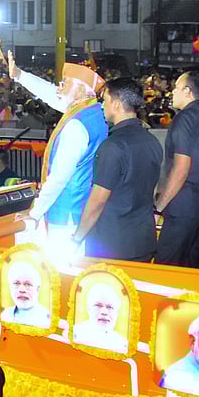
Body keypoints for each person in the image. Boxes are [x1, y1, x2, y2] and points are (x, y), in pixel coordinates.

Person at [6, 51, 107, 249]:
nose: (59, 86)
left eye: (66, 82)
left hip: (65, 213)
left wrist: (34, 212)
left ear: (81, 91)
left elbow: (59, 177)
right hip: (81, 210)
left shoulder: (76, 125)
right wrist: (19, 75)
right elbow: (54, 96)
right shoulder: (94, 112)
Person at [71, 77, 163, 262]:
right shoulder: (152, 141)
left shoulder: (112, 146)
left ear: (117, 104)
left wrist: (77, 238)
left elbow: (97, 201)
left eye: (104, 100)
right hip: (143, 240)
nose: (102, 106)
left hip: (111, 245)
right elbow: (151, 189)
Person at [155, 71, 199, 268]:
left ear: (187, 91)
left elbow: (181, 168)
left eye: (176, 88)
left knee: (166, 271)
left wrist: (158, 207)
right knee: (190, 274)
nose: (172, 92)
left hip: (184, 208)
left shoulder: (184, 118)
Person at [71, 282, 128, 353]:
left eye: (109, 307)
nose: (104, 312)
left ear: (117, 313)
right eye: (98, 305)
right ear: (88, 309)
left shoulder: (122, 344)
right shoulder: (74, 332)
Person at [0, 260, 51, 329]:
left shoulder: (48, 320)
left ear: (38, 289)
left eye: (28, 284)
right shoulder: (4, 316)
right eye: (16, 283)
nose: (22, 290)